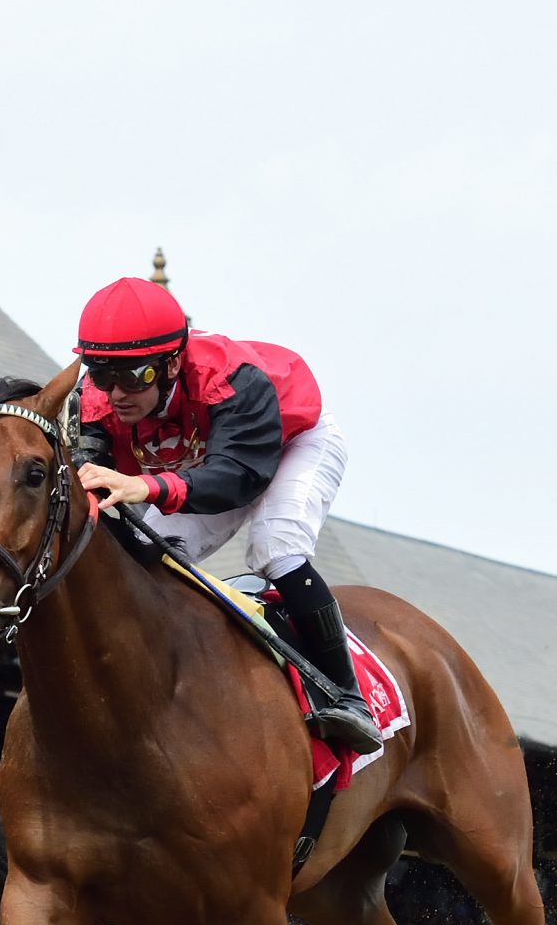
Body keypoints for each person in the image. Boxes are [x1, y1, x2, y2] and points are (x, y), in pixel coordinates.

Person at [71, 276, 380, 752]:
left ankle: (347, 694)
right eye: (104, 374)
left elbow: (238, 478)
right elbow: (89, 481)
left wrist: (147, 485)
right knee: (143, 553)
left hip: (290, 443)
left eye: (135, 377)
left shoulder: (231, 379)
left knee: (276, 547)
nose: (117, 394)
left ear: (172, 362)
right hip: (207, 456)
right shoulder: (94, 398)